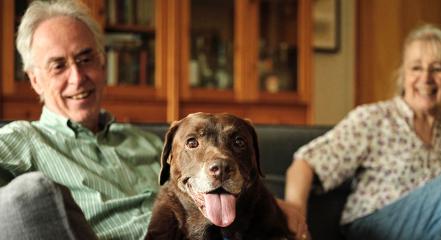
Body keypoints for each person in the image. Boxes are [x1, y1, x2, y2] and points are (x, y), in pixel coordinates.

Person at [0, 1, 307, 239]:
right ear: (35, 80)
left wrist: (279, 207)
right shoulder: (21, 140)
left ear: (102, 61)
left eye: (85, 59)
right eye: (58, 66)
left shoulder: (151, 143)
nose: (77, 78)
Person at [285, 24, 441, 239]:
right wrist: (295, 219)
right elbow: (305, 163)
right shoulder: (374, 119)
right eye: (416, 68)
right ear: (403, 75)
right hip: (377, 226)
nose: (426, 78)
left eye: (438, 68)